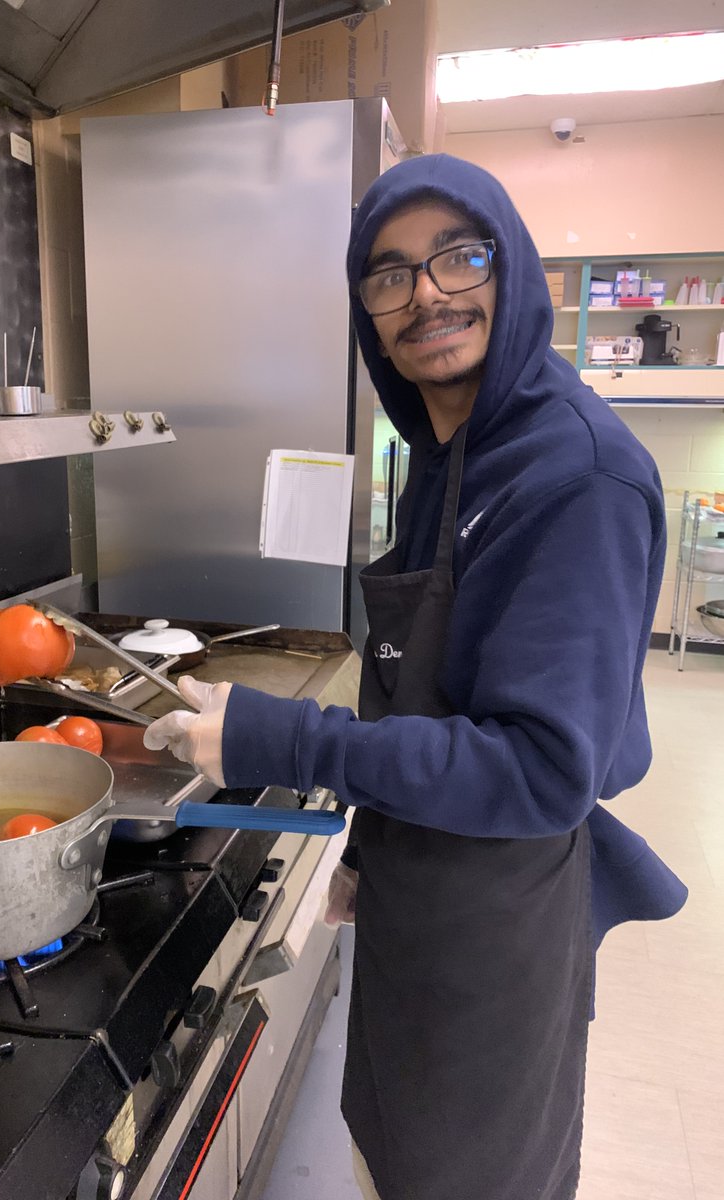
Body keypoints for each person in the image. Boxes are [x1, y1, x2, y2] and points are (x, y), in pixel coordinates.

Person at [143, 154, 688, 1200]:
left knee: (469, 1176)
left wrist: (274, 738)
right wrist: (369, 849)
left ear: (512, 268)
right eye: (389, 273)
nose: (426, 292)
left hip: (492, 923)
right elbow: (424, 691)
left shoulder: (576, 474)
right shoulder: (445, 454)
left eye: (458, 257)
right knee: (391, 1152)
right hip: (415, 890)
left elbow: (537, 768)